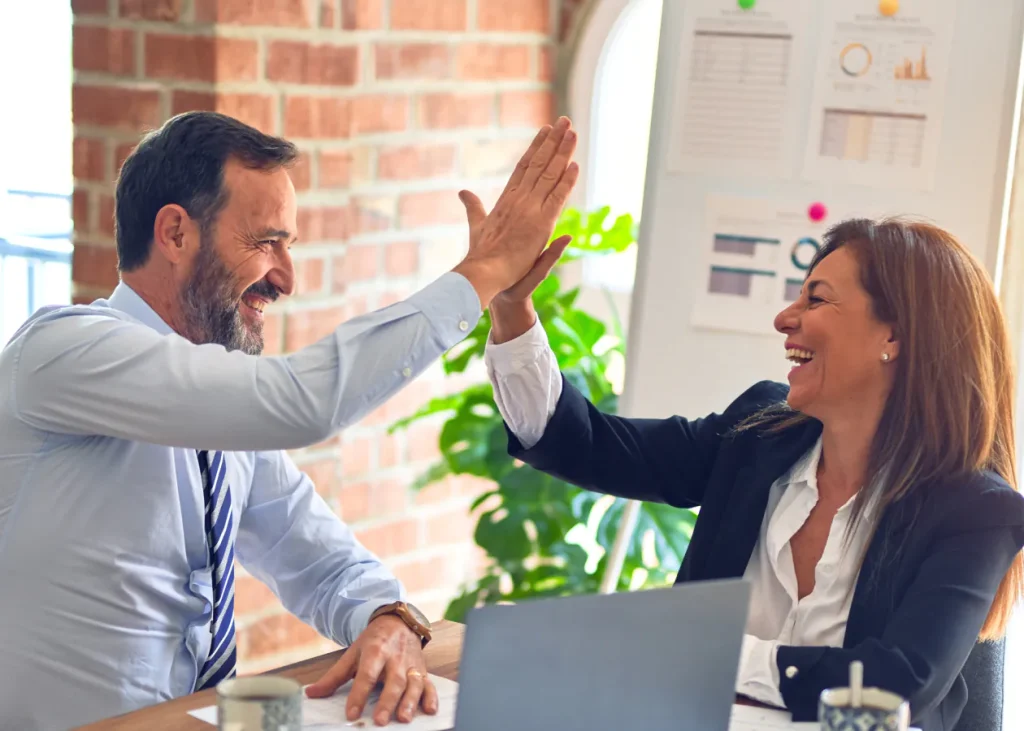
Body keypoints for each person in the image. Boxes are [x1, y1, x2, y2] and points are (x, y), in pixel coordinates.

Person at [0, 110, 579, 731]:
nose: (287, 277)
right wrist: (483, 273)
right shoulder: (62, 353)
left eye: (289, 245)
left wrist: (388, 618)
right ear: (174, 234)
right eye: (264, 241)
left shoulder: (219, 408)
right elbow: (300, 402)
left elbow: (316, 558)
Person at [483, 217, 1024, 731]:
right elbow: (590, 446)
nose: (785, 318)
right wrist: (512, 308)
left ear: (895, 337)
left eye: (816, 298)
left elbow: (896, 687)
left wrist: (711, 654)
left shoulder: (976, 511)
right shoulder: (759, 434)